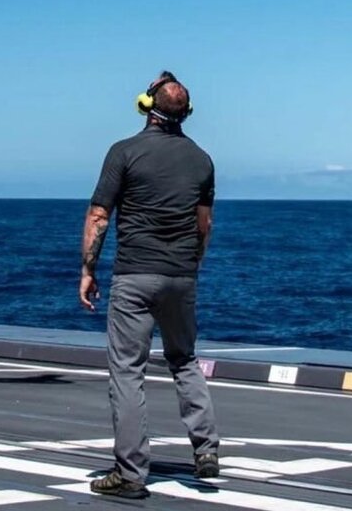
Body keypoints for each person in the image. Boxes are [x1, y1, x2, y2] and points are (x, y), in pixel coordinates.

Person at [79, 70, 219, 499]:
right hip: (182, 276)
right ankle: (206, 449)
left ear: (145, 105)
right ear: (187, 113)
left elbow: (99, 216)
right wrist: (191, 267)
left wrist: (88, 269)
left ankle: (130, 473)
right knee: (184, 359)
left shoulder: (124, 152)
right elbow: (204, 225)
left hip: (135, 276)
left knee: (127, 372)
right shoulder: (202, 160)